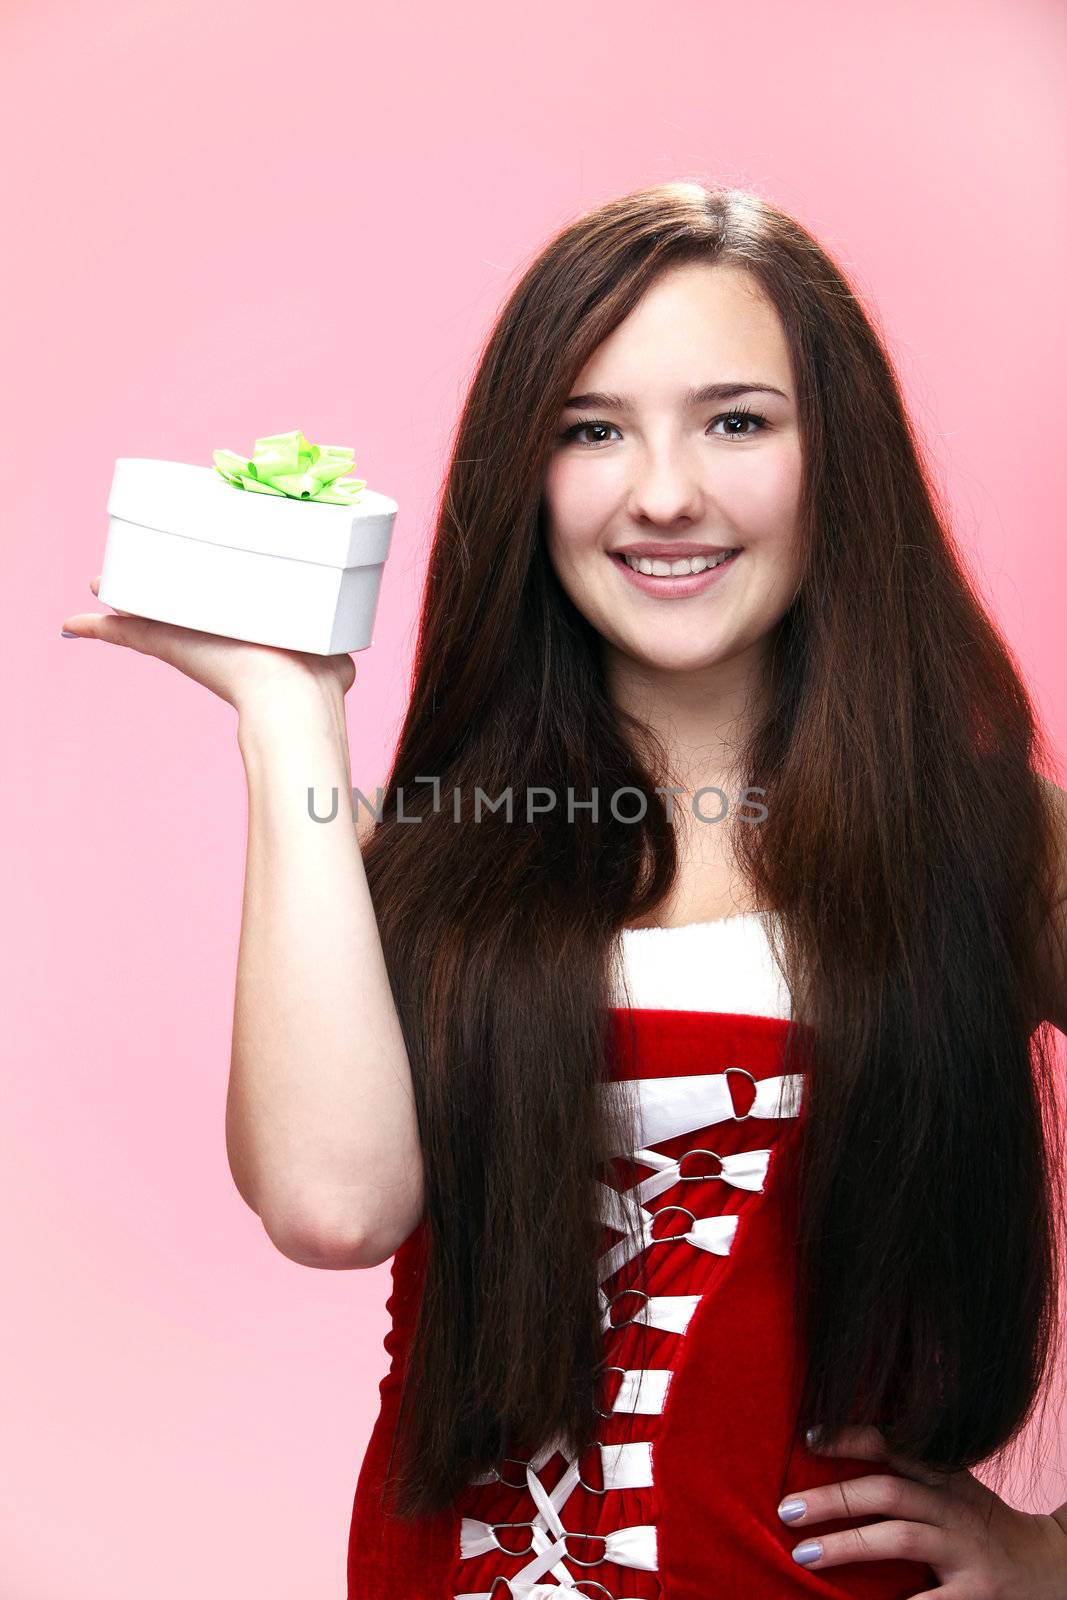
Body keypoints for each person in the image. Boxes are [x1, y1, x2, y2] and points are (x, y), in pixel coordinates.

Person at [61, 182, 1067, 1598]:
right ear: (523, 477)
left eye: (737, 421)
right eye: (591, 429)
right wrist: (288, 714)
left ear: (841, 457)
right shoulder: (416, 865)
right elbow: (333, 1209)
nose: (663, 493)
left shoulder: (990, 844)